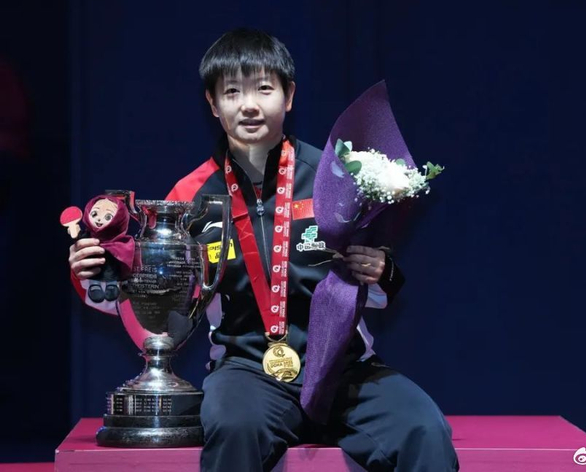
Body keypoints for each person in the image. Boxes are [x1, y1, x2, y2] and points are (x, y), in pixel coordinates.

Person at [68, 28, 458, 472]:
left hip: (345, 369)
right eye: (232, 91)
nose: (249, 105)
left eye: (264, 89)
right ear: (213, 104)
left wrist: (381, 269)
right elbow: (164, 298)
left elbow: (380, 292)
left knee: (423, 429)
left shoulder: (335, 176)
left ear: (289, 96)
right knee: (234, 429)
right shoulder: (192, 197)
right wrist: (100, 271)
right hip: (247, 373)